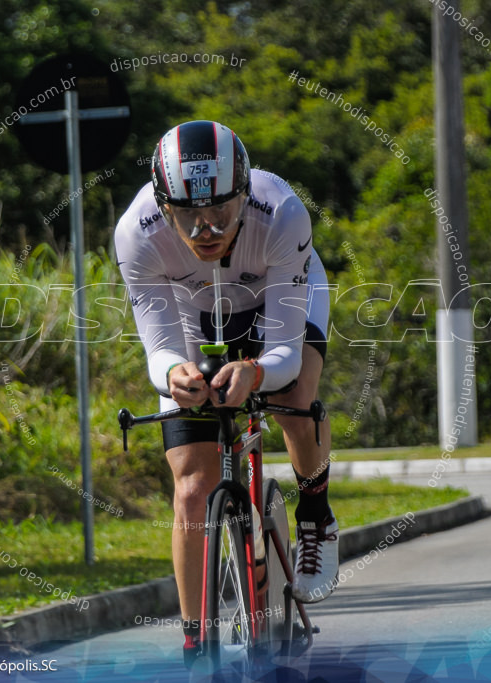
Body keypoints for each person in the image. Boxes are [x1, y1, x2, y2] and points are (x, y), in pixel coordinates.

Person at [113, 120, 338, 664]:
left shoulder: (280, 211)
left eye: (221, 211)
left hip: (276, 303)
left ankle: (314, 512)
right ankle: (196, 644)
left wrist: (256, 375)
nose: (207, 228)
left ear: (244, 192)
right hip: (193, 315)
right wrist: (175, 376)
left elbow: (283, 351)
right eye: (189, 215)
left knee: (296, 403)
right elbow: (160, 350)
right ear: (164, 208)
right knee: (192, 487)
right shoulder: (135, 233)